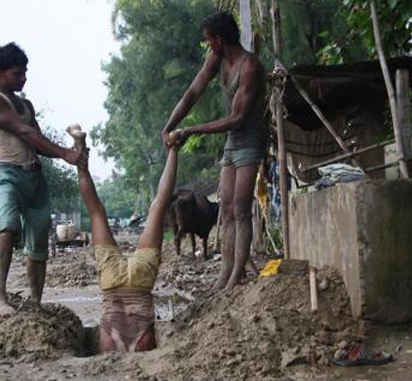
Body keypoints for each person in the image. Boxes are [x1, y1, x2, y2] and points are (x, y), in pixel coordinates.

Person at [0, 43, 86, 317]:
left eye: (25, 72)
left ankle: (35, 302)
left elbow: (36, 143)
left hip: (34, 176)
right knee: (7, 228)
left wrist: (71, 153)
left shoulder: (25, 104)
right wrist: (65, 154)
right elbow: (23, 132)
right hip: (6, 174)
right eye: (17, 73)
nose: (23, 78)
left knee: (38, 242)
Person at [161, 11, 267, 293]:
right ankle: (225, 275)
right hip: (233, 142)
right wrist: (170, 125)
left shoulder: (250, 67)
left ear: (219, 40)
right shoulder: (218, 59)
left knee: (242, 209)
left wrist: (193, 130)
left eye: (209, 42)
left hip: (250, 139)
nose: (209, 47)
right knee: (228, 211)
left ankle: (236, 278)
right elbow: (193, 92)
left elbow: (237, 117)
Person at [67, 125, 181, 352]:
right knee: (98, 212)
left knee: (156, 208)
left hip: (139, 283)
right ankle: (80, 148)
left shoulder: (117, 348)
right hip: (114, 284)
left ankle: (173, 150)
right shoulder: (108, 347)